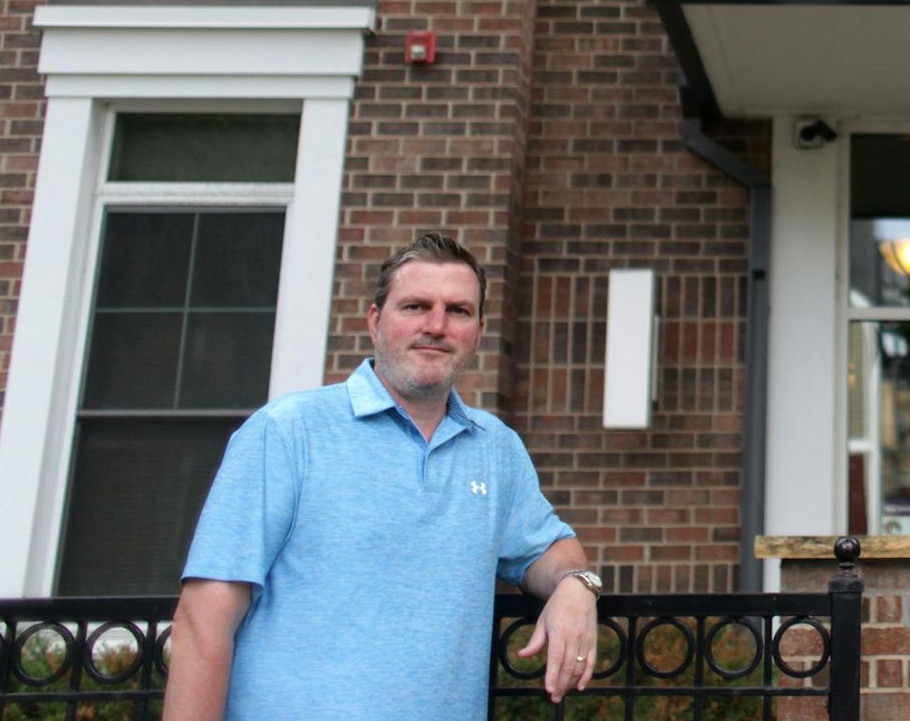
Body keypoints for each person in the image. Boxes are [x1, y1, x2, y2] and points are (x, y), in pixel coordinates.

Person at [164, 232, 599, 720]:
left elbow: (550, 550)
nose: (436, 325)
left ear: (478, 331)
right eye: (415, 306)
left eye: (457, 311)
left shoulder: (495, 449)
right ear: (375, 321)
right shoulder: (286, 433)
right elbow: (203, 623)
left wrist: (577, 586)